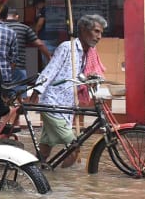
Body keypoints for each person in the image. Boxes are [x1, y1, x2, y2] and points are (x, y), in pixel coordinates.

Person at [29, 14, 107, 168]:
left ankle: (36, 172)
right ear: (84, 30)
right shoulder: (67, 47)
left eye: (101, 33)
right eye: (96, 31)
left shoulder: (87, 53)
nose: (99, 37)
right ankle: (64, 184)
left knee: (45, 148)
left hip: (67, 105)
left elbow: (77, 76)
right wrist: (36, 92)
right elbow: (50, 70)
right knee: (74, 147)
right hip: (53, 104)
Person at [3, 6, 51, 82]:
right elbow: (39, 44)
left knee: (1, 92)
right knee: (20, 91)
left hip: (1, 67)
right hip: (19, 67)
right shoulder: (24, 28)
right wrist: (49, 57)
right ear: (17, 16)